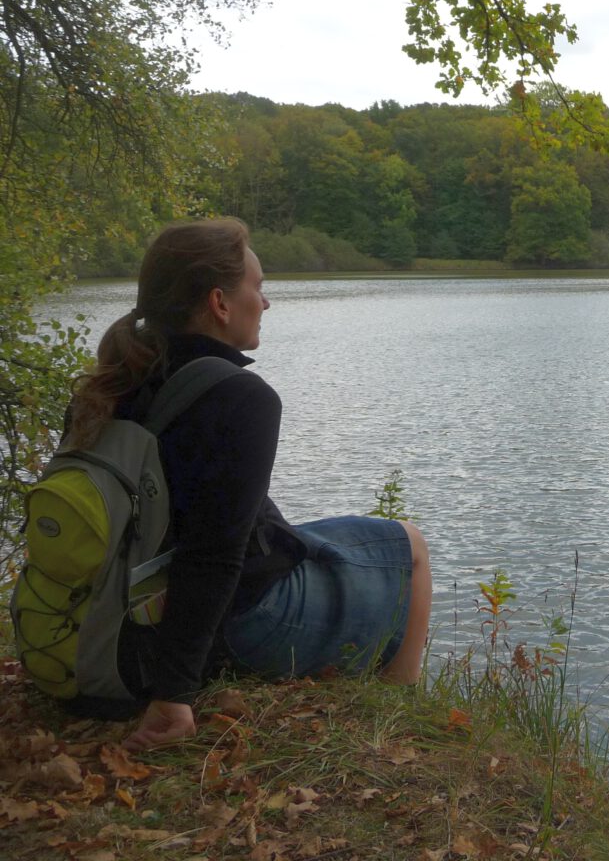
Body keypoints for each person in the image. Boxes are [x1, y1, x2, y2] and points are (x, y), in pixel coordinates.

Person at [65, 217, 432, 751]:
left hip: (108, 625)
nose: (265, 303)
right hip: (232, 627)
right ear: (219, 302)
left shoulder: (102, 388)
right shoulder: (240, 396)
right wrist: (175, 694)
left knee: (335, 539)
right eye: (257, 289)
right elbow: (212, 556)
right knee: (409, 546)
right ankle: (398, 718)